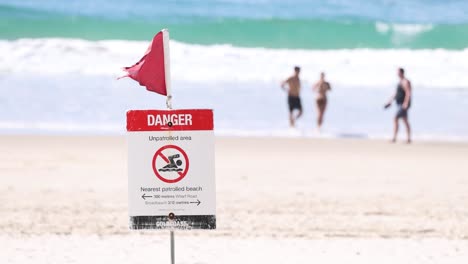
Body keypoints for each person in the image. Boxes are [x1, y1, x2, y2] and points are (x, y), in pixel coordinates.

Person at [384, 67, 412, 143]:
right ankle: (408, 138)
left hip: (403, 104)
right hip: (399, 103)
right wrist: (390, 101)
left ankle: (394, 138)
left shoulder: (406, 82)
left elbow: (408, 93)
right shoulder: (400, 82)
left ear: (402, 73)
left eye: (398, 72)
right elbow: (396, 93)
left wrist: (406, 103)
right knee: (405, 120)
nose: (397, 73)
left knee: (395, 118)